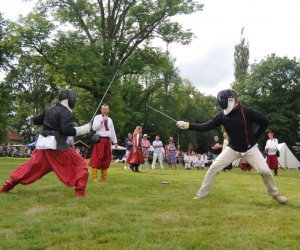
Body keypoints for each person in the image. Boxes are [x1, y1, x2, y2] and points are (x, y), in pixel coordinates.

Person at [176, 89, 288, 204]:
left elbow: (265, 121)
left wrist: (255, 136)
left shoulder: (246, 112)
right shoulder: (221, 115)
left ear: (232, 100)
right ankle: (201, 195)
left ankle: (275, 194)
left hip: (250, 148)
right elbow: (206, 126)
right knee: (213, 168)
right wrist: (187, 125)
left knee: (265, 171)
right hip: (233, 148)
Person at [0, 89, 91, 197]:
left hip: (43, 147)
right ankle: (80, 193)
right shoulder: (66, 112)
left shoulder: (49, 109)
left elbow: (35, 120)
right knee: (80, 165)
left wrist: (48, 115)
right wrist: (84, 129)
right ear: (69, 99)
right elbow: (66, 130)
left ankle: (6, 186)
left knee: (28, 169)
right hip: (57, 148)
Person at [89, 104, 118, 182]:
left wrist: (115, 142)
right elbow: (94, 128)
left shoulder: (110, 119)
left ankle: (104, 176)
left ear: (108, 110)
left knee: (106, 158)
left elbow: (112, 131)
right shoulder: (97, 118)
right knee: (97, 157)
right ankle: (94, 177)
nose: (105, 110)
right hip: (100, 140)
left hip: (108, 140)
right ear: (101, 110)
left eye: (106, 109)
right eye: (104, 109)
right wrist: (102, 121)